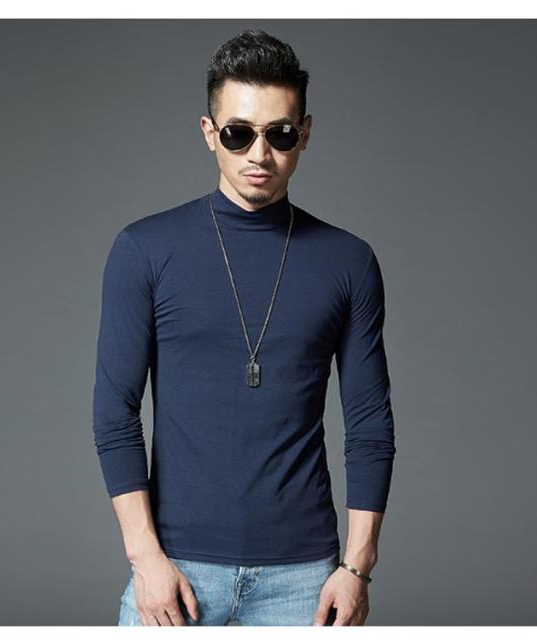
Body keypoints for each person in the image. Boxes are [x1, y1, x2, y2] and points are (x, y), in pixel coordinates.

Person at [92, 29, 396, 627]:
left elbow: (369, 424)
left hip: (306, 579)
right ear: (210, 133)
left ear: (304, 133)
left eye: (279, 133)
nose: (259, 154)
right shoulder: (145, 250)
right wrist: (145, 558)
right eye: (238, 133)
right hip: (175, 570)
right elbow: (114, 413)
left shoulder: (348, 261)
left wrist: (358, 566)